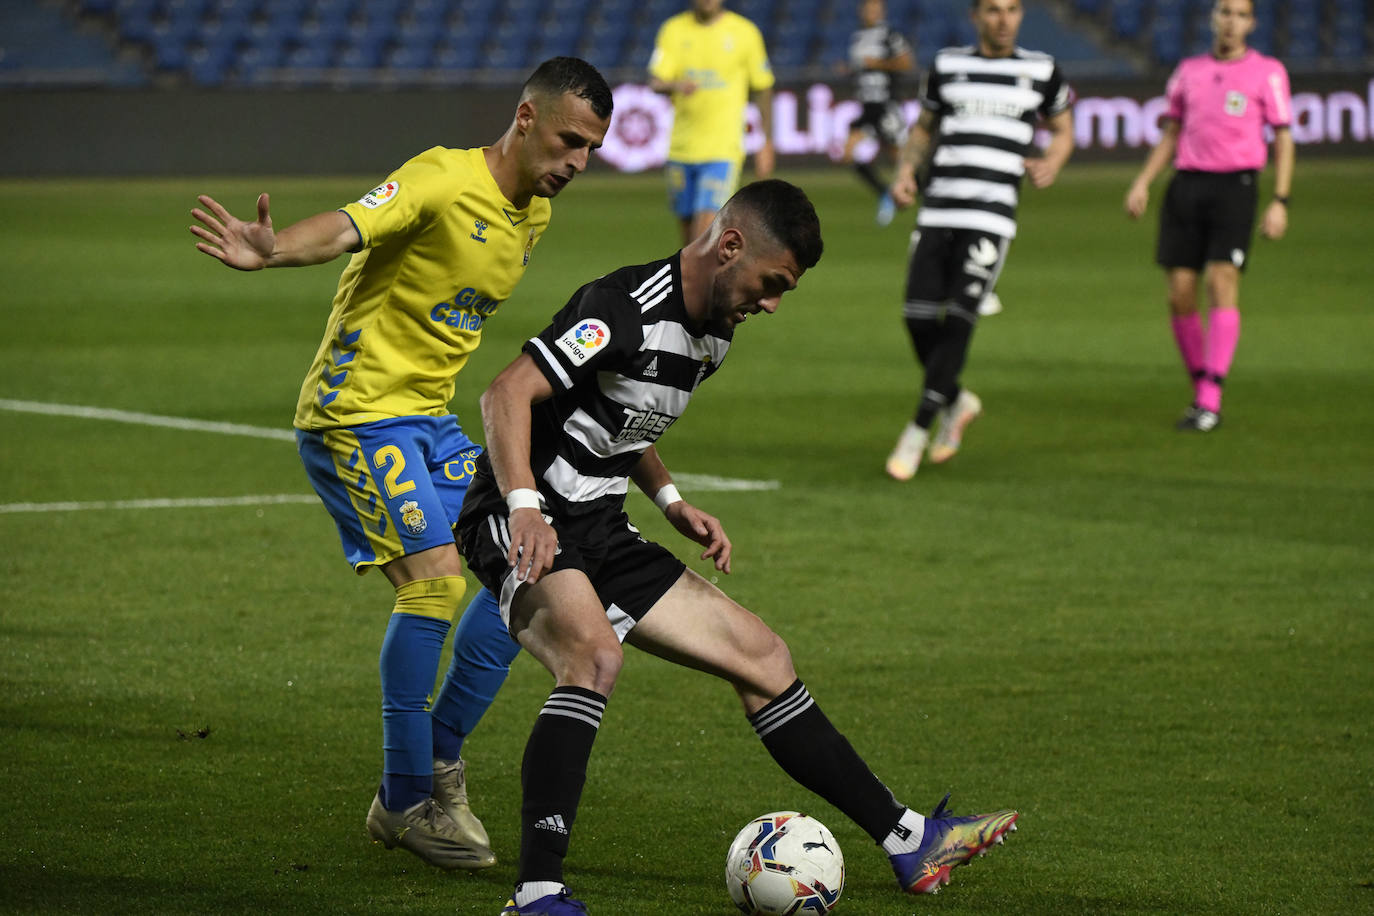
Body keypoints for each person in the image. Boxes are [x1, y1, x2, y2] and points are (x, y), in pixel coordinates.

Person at [452, 180, 1019, 915]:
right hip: (516, 514)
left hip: (597, 525)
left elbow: (627, 418)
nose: (774, 303)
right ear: (730, 246)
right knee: (593, 658)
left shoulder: (716, 328)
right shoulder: (623, 308)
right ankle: (536, 895)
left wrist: (671, 500)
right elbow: (504, 395)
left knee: (764, 656)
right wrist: (526, 507)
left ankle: (910, 838)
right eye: (773, 283)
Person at [188, 58, 613, 871]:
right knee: (436, 582)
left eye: (590, 150)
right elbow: (350, 226)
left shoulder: (533, 217)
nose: (576, 164)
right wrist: (273, 251)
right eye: (568, 141)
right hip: (354, 414)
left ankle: (438, 756)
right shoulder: (440, 176)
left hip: (427, 420)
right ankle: (407, 797)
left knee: (527, 562)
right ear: (525, 119)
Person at [883, 0, 1073, 481]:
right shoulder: (948, 66)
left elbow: (1064, 128)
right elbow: (923, 130)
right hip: (939, 207)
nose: (1003, 18)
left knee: (962, 318)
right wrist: (906, 171)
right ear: (976, 16)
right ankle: (956, 399)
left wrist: (1053, 159)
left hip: (991, 217)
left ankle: (919, 427)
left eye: (1011, 9)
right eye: (992, 9)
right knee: (918, 318)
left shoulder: (1042, 70)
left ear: (1022, 15)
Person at [1124, 0, 1292, 432]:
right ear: (1212, 19)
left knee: (1221, 281)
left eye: (1240, 14)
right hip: (1186, 187)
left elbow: (1283, 135)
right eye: (1224, 12)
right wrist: (1143, 180)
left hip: (1235, 186)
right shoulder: (1188, 71)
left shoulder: (1267, 72)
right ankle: (1201, 384)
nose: (1231, 21)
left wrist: (1280, 199)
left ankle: (1210, 396)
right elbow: (1172, 132)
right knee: (1179, 293)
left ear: (1252, 23)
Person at [648, 0, 776, 246]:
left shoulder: (744, 32)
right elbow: (656, 81)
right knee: (688, 243)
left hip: (722, 149)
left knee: (703, 235)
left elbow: (763, 88)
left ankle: (708, 283)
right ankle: (693, 284)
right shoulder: (673, 29)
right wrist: (675, 85)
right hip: (681, 147)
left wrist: (767, 142)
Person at [839, 0, 915, 226]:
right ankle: (885, 193)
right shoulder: (857, 38)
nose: (871, 12)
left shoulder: (889, 36)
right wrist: (850, 70)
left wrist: (877, 63)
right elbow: (862, 69)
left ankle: (917, 194)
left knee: (900, 159)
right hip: (867, 106)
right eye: (868, 8)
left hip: (886, 104)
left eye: (875, 8)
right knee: (848, 153)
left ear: (881, 12)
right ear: (861, 11)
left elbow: (906, 63)